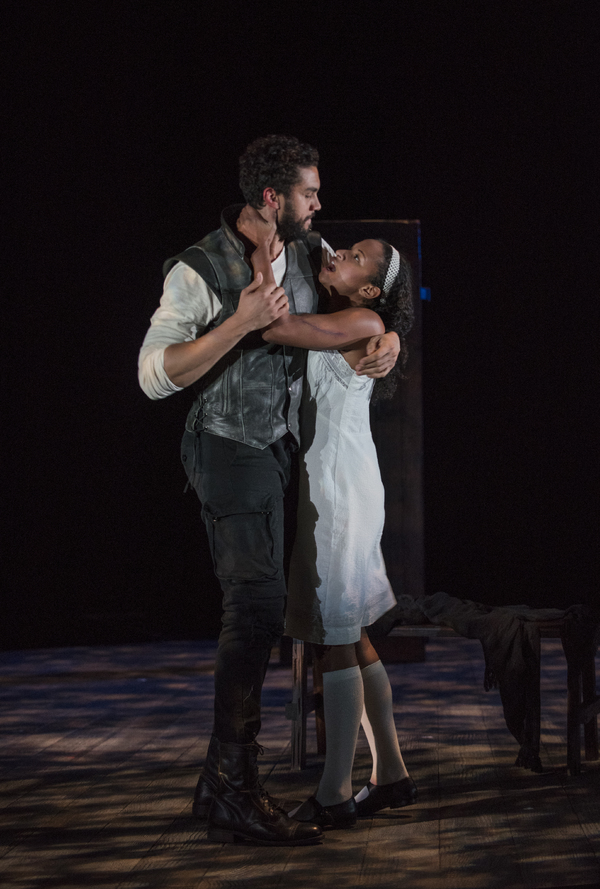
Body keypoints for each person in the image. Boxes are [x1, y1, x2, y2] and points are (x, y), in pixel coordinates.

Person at [137, 135, 400, 846]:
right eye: (310, 192)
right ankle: (232, 781)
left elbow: (367, 303)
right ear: (270, 199)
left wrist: (392, 338)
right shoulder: (199, 269)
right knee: (254, 599)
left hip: (281, 452)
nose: (320, 204)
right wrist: (239, 323)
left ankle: (224, 780)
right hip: (224, 442)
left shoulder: (311, 252)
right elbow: (155, 374)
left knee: (274, 607)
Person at [248, 220, 417, 830]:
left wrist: (264, 258)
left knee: (334, 638)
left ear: (369, 292)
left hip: (340, 493)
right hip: (340, 485)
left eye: (356, 258)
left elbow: (276, 326)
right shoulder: (362, 312)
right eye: (348, 247)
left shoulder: (365, 324)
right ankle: (392, 774)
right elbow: (317, 248)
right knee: (353, 634)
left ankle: (333, 792)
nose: (340, 253)